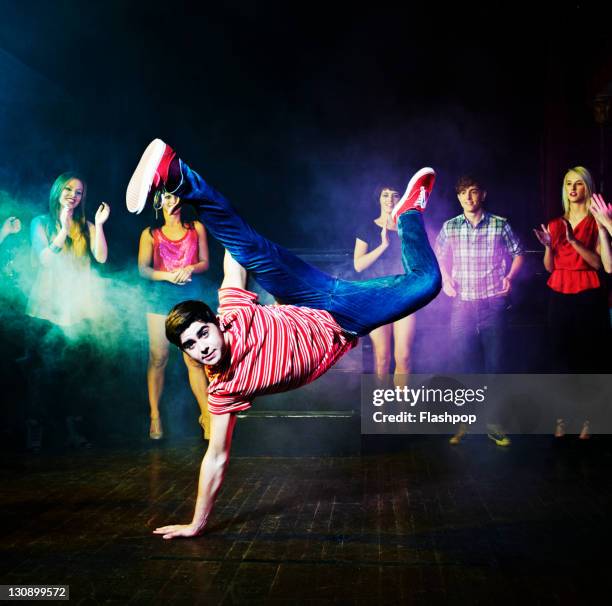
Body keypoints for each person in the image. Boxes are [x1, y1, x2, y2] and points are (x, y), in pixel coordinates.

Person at [124, 139, 441, 539]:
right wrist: (196, 523)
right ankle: (408, 212)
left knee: (249, 246)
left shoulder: (234, 314)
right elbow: (216, 458)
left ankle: (177, 175)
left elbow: (235, 264)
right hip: (346, 319)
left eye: (203, 333)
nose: (202, 346)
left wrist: (238, 239)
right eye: (191, 345)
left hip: (308, 294)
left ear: (215, 323)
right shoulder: (223, 391)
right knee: (428, 283)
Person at [435, 175, 524, 447]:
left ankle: (493, 422)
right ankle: (465, 422)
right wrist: (446, 279)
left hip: (492, 304)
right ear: (458, 196)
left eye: (473, 192)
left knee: (494, 367)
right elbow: (437, 256)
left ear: (482, 194)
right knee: (463, 364)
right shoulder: (449, 227)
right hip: (462, 304)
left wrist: (510, 276)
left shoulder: (500, 224)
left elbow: (519, 252)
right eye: (463, 193)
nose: (468, 198)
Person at [25, 172, 110, 449]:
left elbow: (101, 257)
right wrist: (62, 229)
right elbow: (45, 260)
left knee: (74, 375)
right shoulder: (40, 223)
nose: (73, 195)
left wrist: (98, 225)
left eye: (79, 192)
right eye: (69, 189)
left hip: (76, 310)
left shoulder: (86, 226)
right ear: (57, 190)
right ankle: (35, 430)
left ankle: (71, 429)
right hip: (45, 309)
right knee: (42, 374)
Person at [533, 167, 610, 439]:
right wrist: (547, 245)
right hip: (559, 289)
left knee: (587, 356)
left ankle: (589, 420)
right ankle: (562, 418)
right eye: (568, 184)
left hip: (588, 289)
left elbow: (599, 264)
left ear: (587, 187)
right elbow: (549, 267)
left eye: (578, 183)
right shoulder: (555, 223)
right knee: (560, 356)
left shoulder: (597, 220)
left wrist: (573, 241)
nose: (572, 188)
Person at [138, 188, 212, 440]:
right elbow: (143, 269)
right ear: (159, 202)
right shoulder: (150, 234)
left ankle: (206, 416)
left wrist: (189, 268)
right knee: (158, 357)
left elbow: (205, 263)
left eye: (176, 196)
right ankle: (155, 416)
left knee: (194, 360)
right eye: (167, 196)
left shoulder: (196, 228)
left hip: (190, 298)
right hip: (159, 299)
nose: (173, 201)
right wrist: (168, 275)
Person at [354, 186, 416, 381]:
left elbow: (417, 261)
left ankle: (401, 411)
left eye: (395, 195)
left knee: (403, 357)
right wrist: (383, 246)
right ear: (379, 198)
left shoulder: (408, 228)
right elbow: (358, 265)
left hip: (404, 296)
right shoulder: (367, 227)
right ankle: (380, 410)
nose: (390, 199)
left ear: (401, 198)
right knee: (382, 358)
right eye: (385, 195)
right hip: (377, 298)